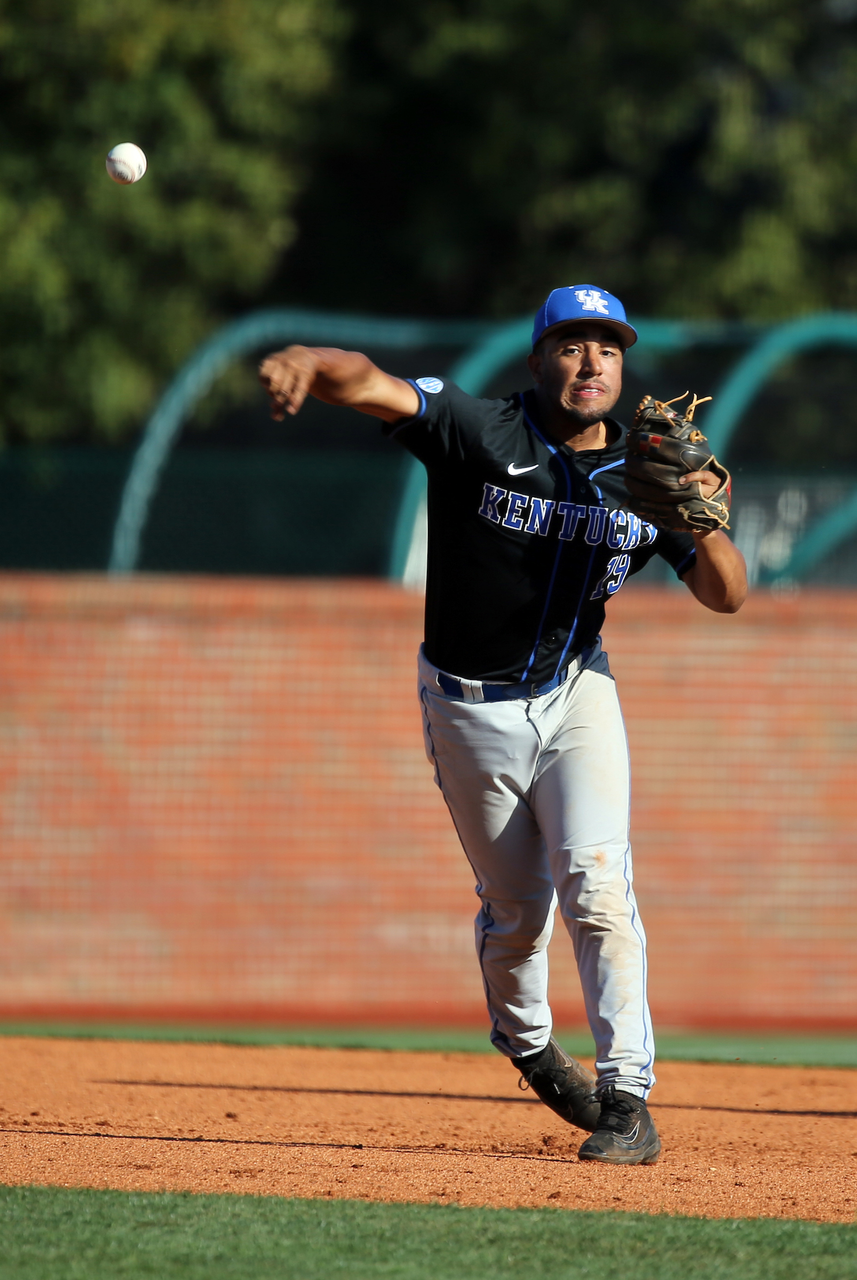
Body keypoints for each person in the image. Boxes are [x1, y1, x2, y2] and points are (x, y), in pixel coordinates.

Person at [258, 285, 747, 1165]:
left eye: (608, 346)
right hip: (466, 706)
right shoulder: (479, 430)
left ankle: (626, 1098)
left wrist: (699, 521)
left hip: (575, 692)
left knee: (597, 887)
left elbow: (727, 593)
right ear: (538, 359)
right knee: (517, 912)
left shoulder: (643, 471)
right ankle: (529, 1048)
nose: (592, 362)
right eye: (571, 345)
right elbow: (368, 381)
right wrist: (307, 360)